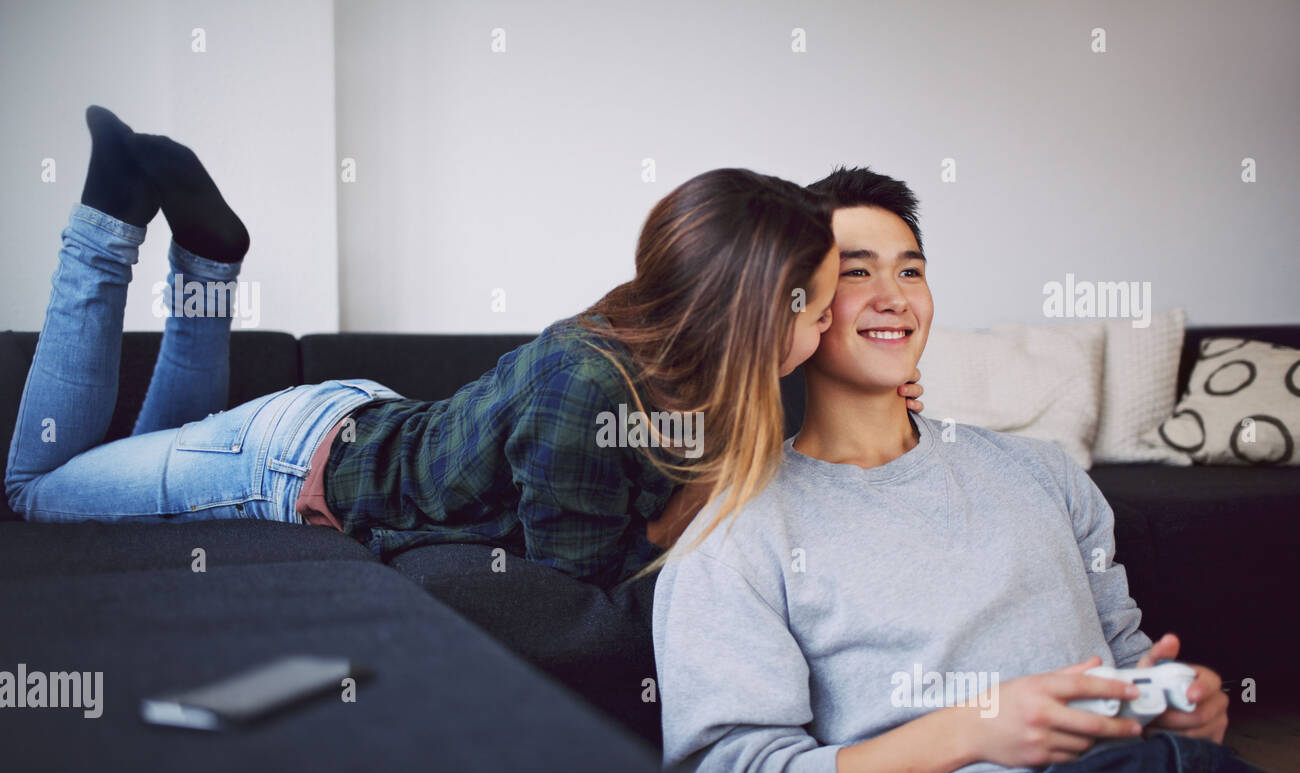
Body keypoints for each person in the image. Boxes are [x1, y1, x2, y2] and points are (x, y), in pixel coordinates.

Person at [651, 164, 1300, 773]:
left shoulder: (1044, 472)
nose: (894, 298)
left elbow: (1124, 655)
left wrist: (1177, 707)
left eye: (911, 271)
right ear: (792, 304)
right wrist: (973, 731)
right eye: (856, 273)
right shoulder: (736, 534)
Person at [4, 108, 927, 590]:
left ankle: (206, 261)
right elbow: (580, 582)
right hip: (285, 465)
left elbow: (817, 466)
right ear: (749, 311)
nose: (830, 321)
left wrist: (881, 405)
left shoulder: (738, 372)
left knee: (150, 445)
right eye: (817, 299)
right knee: (32, 493)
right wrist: (694, 506)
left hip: (346, 422)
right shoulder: (588, 389)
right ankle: (107, 220)